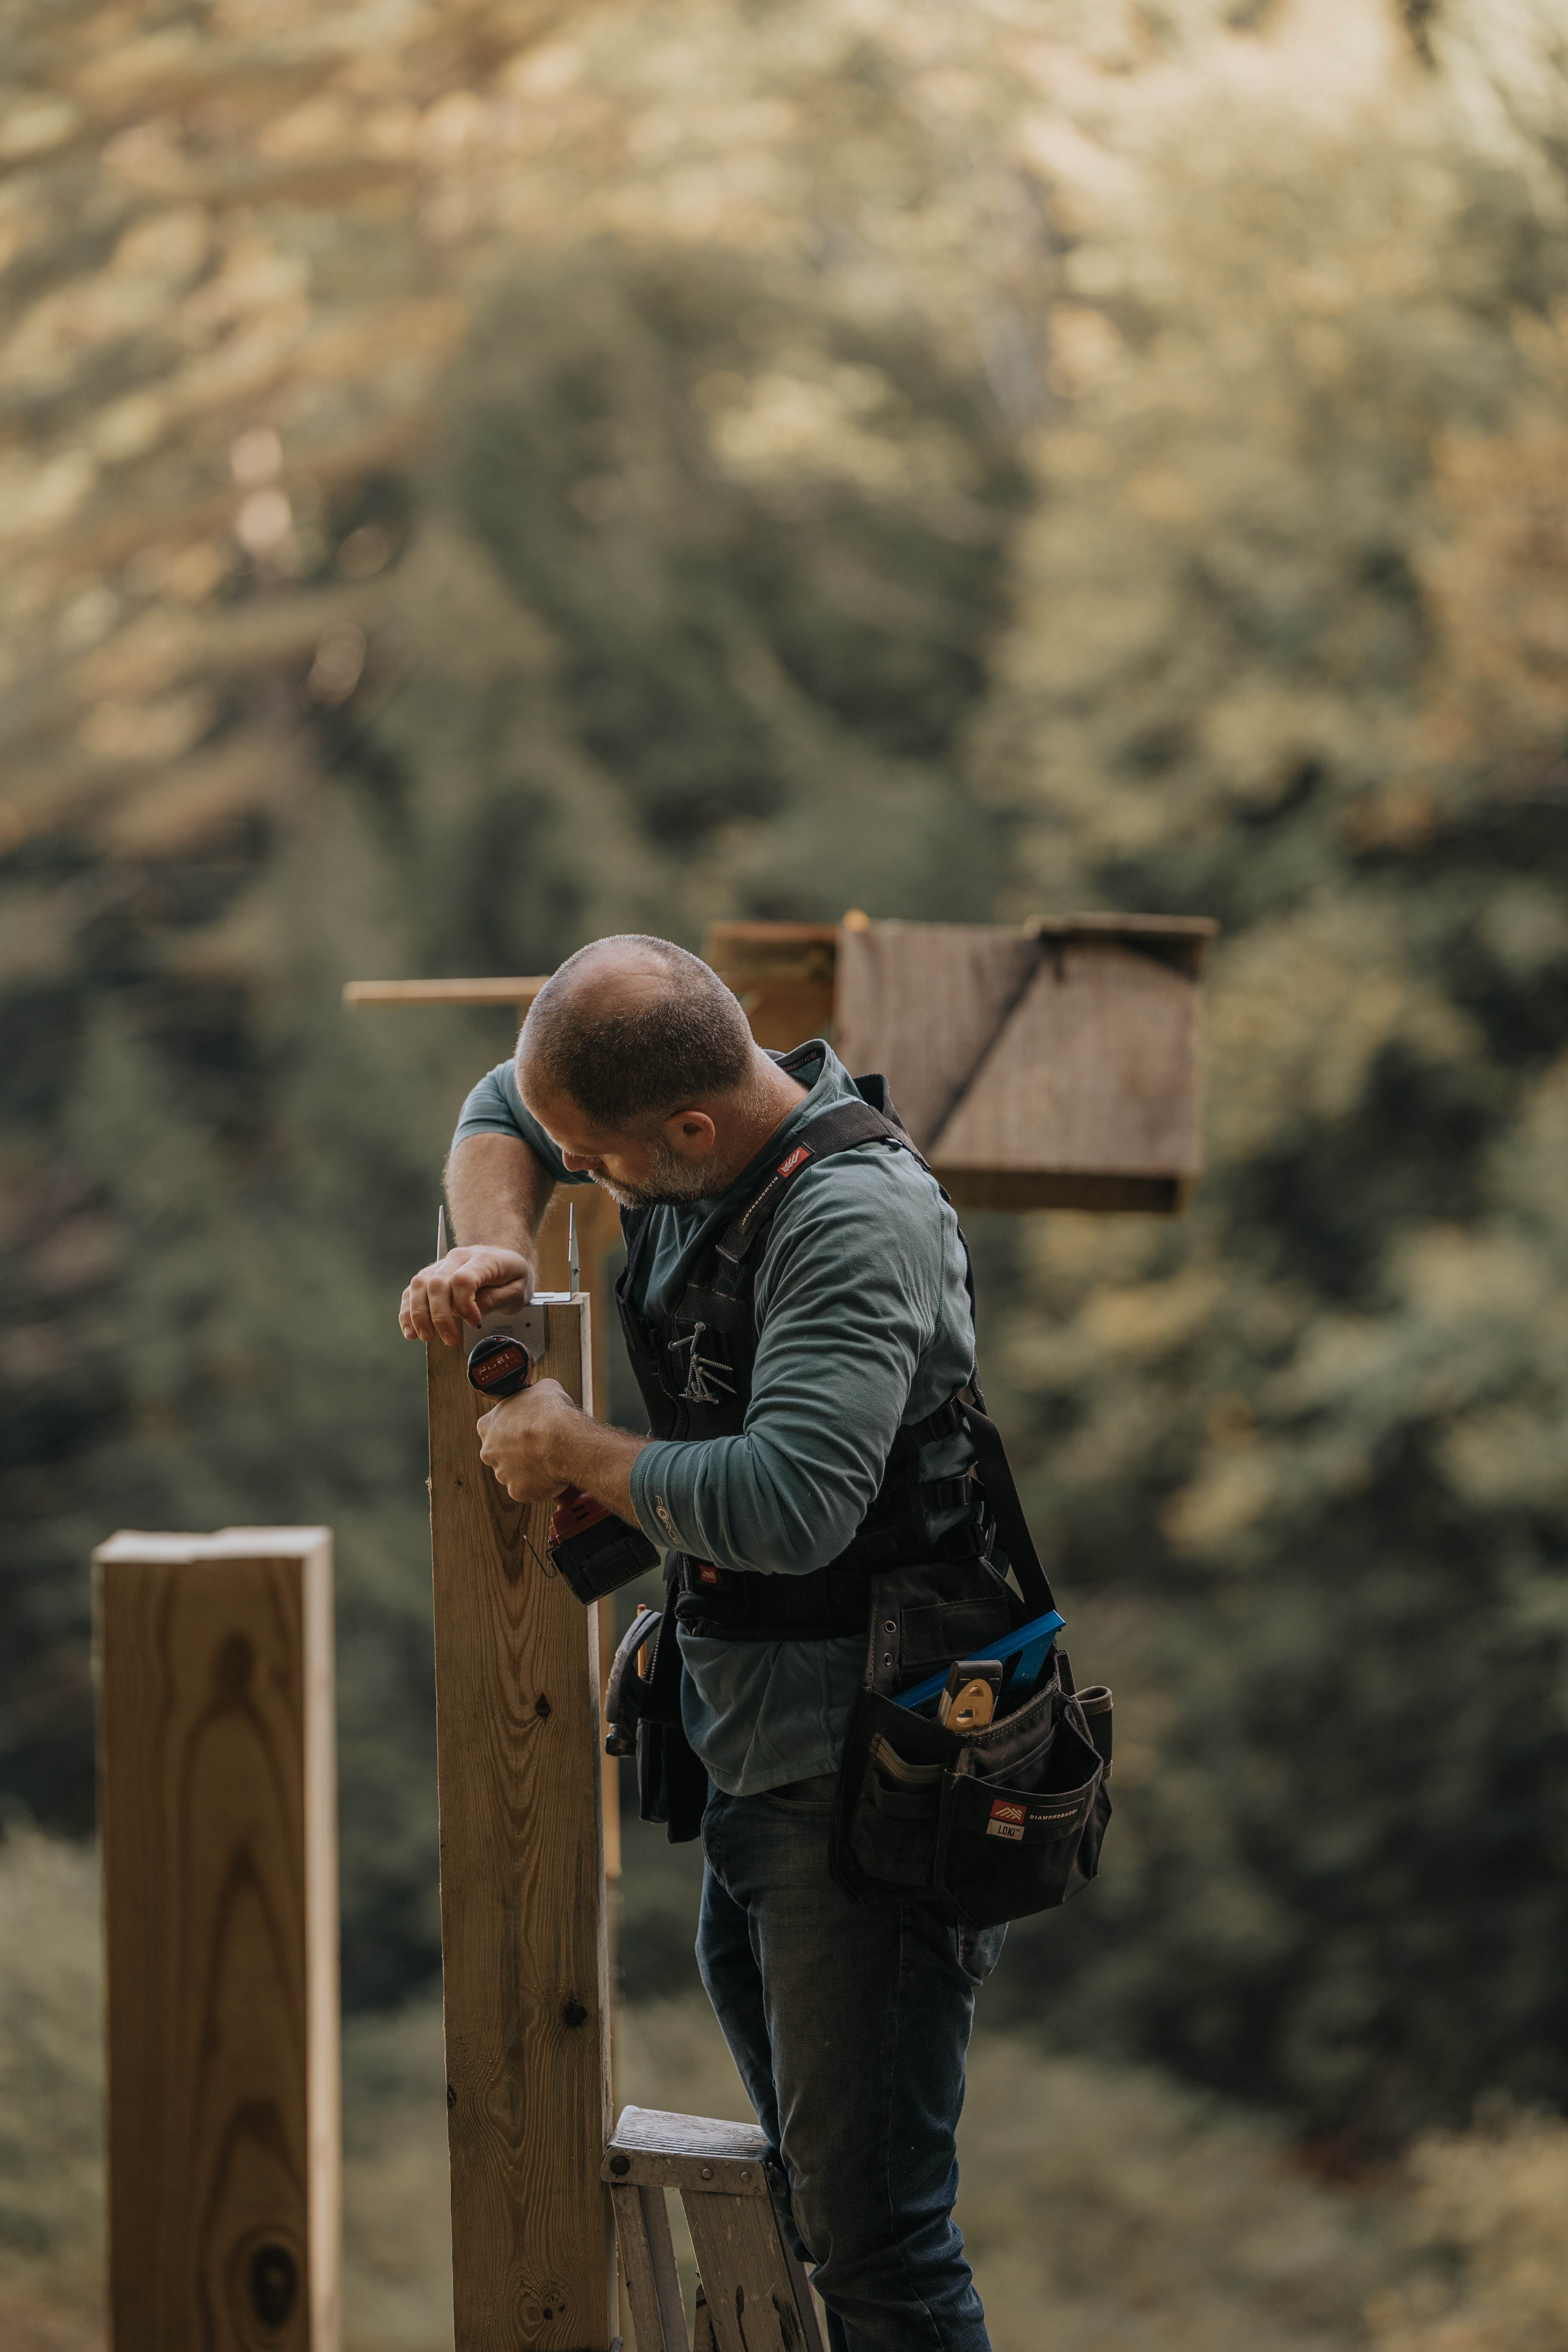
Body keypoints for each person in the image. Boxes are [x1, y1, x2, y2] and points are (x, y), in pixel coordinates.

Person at [399, 933, 1006, 2352]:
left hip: (874, 1774)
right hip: (758, 1741)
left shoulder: (854, 1223)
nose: (588, 1183)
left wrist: (575, 1450)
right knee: (819, 2199)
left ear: (689, 1125)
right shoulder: (685, 1131)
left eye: (598, 1165)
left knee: (882, 2247)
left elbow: (793, 1503)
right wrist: (498, 1235)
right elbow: (507, 1105)